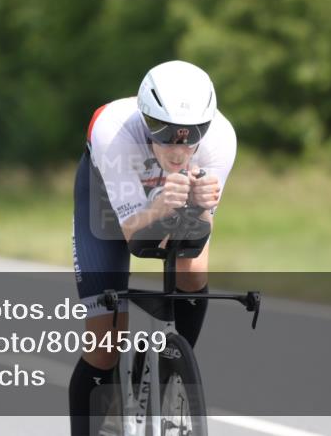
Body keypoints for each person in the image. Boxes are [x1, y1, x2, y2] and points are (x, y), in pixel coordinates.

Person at [68, 60, 237, 435]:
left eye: (193, 134)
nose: (178, 149)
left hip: (167, 200)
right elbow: (136, 239)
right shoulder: (113, 130)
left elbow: (196, 239)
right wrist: (161, 205)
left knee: (192, 271)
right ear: (145, 118)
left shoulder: (222, 137)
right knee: (105, 344)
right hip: (108, 205)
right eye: (162, 132)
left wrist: (200, 208)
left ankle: (176, 367)